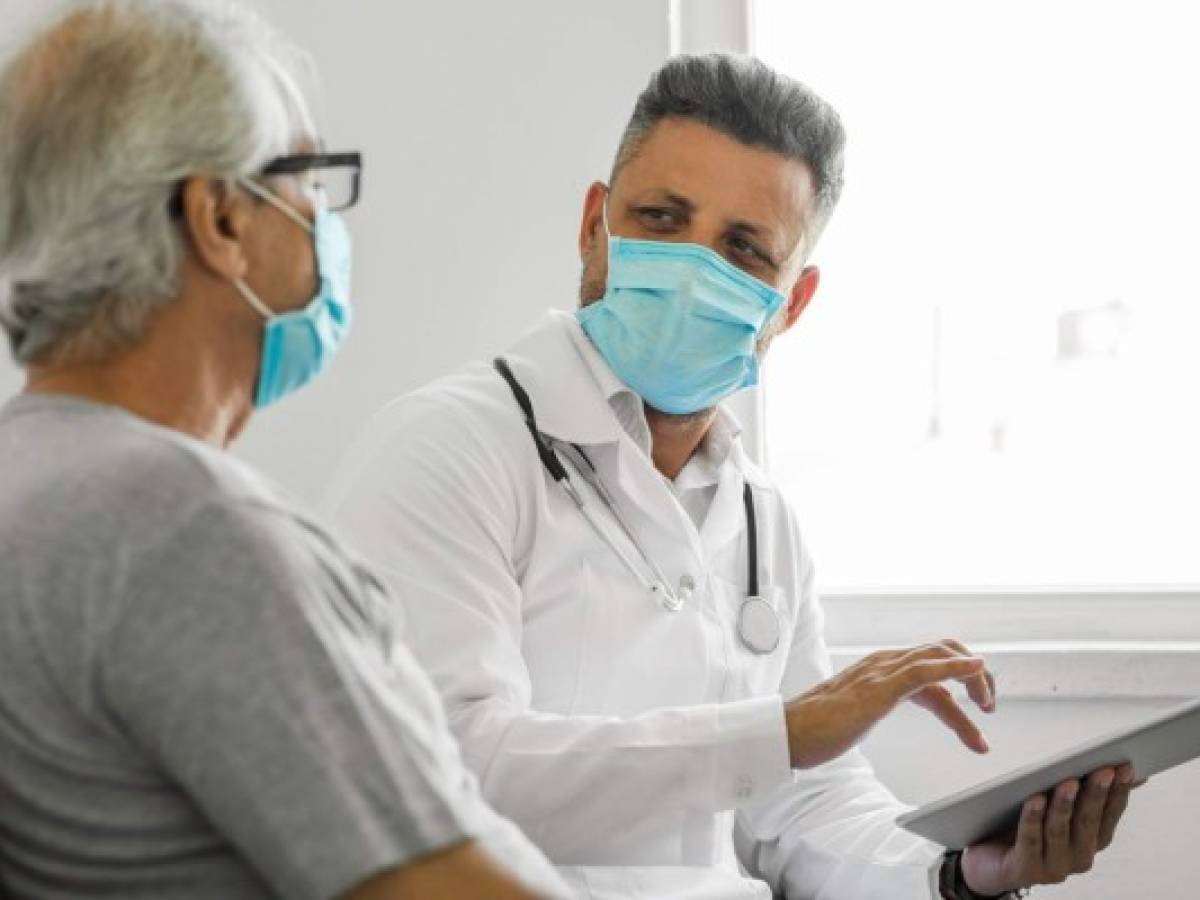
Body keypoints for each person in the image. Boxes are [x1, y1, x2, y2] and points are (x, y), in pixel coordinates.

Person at [326, 54, 1138, 899]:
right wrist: (779, 734)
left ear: (793, 303)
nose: (691, 271)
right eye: (662, 218)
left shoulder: (762, 518)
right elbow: (444, 769)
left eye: (743, 249)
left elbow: (805, 810)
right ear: (593, 225)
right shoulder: (450, 446)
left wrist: (958, 872)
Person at [0, 2, 570, 899]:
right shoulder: (187, 532)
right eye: (307, 180)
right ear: (220, 219)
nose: (323, 223)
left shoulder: (28, 482)